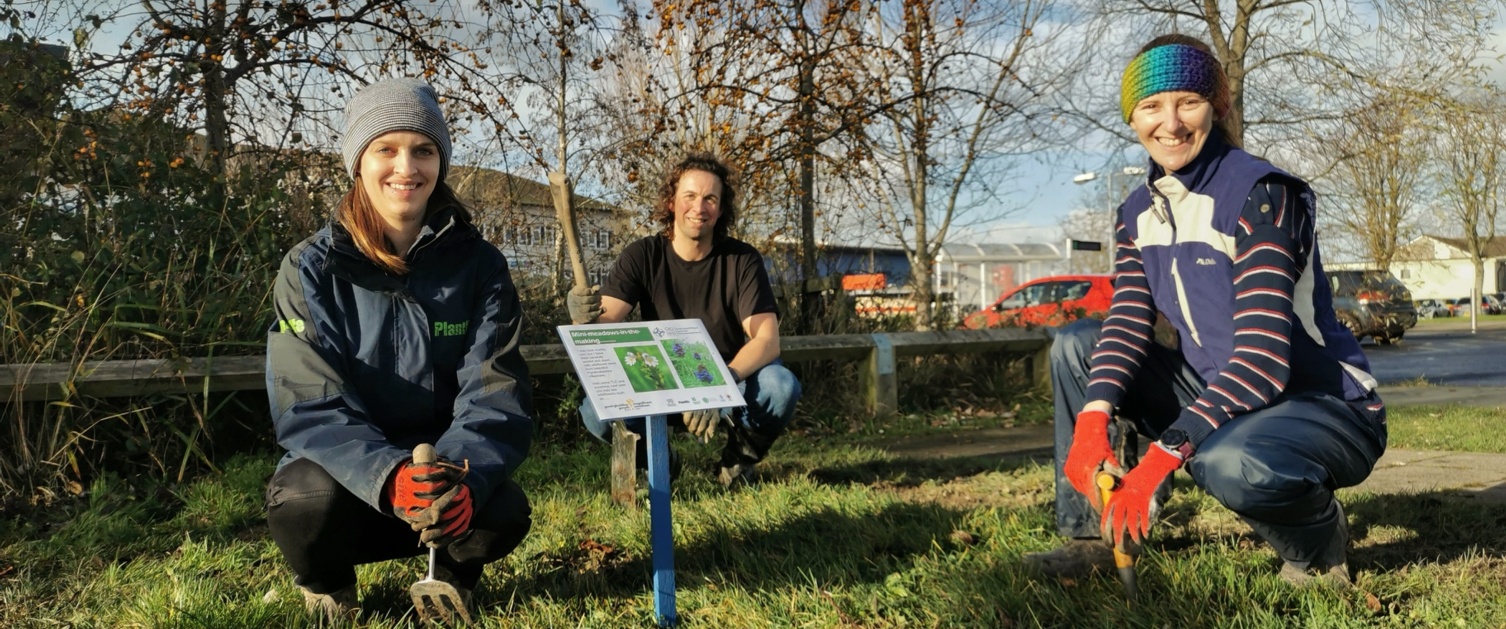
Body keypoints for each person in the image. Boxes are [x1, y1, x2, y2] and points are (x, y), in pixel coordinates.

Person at [1025, 34, 1386, 587]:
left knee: (1228, 462)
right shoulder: (1136, 211)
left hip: (1319, 405)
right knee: (1078, 344)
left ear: (1216, 110)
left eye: (1188, 101)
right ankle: (1097, 537)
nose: (1169, 122)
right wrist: (1093, 418)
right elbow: (1127, 320)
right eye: (1150, 106)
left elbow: (1264, 362)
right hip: (1223, 395)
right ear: (1132, 118)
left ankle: (1317, 546)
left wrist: (1163, 455)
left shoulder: (1260, 193)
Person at [263, 78, 534, 622]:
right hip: (348, 482)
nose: (406, 168)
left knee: (502, 508)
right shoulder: (309, 268)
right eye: (385, 149)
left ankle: (451, 580)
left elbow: (496, 390)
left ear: (441, 163)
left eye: (424, 150)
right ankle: (328, 584)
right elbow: (308, 404)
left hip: (441, 472)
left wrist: (463, 476)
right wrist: (389, 476)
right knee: (301, 498)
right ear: (358, 163)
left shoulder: (480, 266)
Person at [567, 153, 802, 487]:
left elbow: (766, 340)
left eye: (710, 198)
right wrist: (582, 316)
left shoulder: (742, 260)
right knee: (595, 412)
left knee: (781, 385)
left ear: (721, 209)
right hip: (657, 380)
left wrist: (716, 388)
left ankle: (738, 461)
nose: (699, 207)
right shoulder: (642, 255)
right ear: (672, 202)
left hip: (725, 378)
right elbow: (603, 325)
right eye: (690, 196)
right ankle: (658, 460)